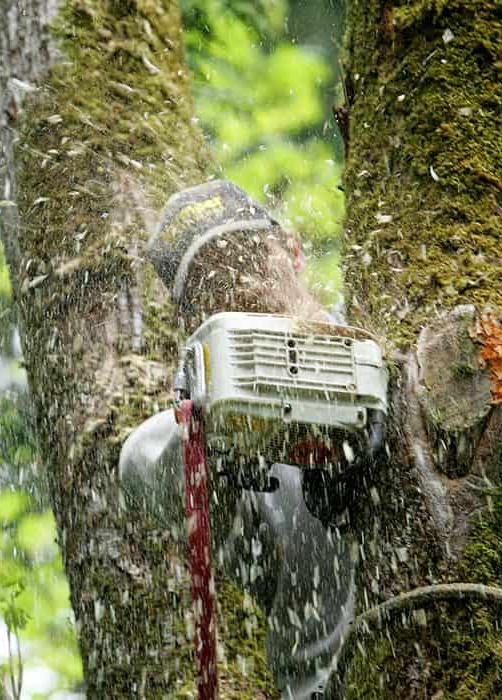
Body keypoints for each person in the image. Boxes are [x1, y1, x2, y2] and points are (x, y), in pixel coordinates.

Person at [119, 180, 356, 699]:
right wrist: (214, 427)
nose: (239, 287)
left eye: (247, 257)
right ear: (195, 325)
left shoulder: (376, 349)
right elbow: (141, 462)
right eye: (211, 288)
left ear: (291, 251)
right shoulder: (242, 466)